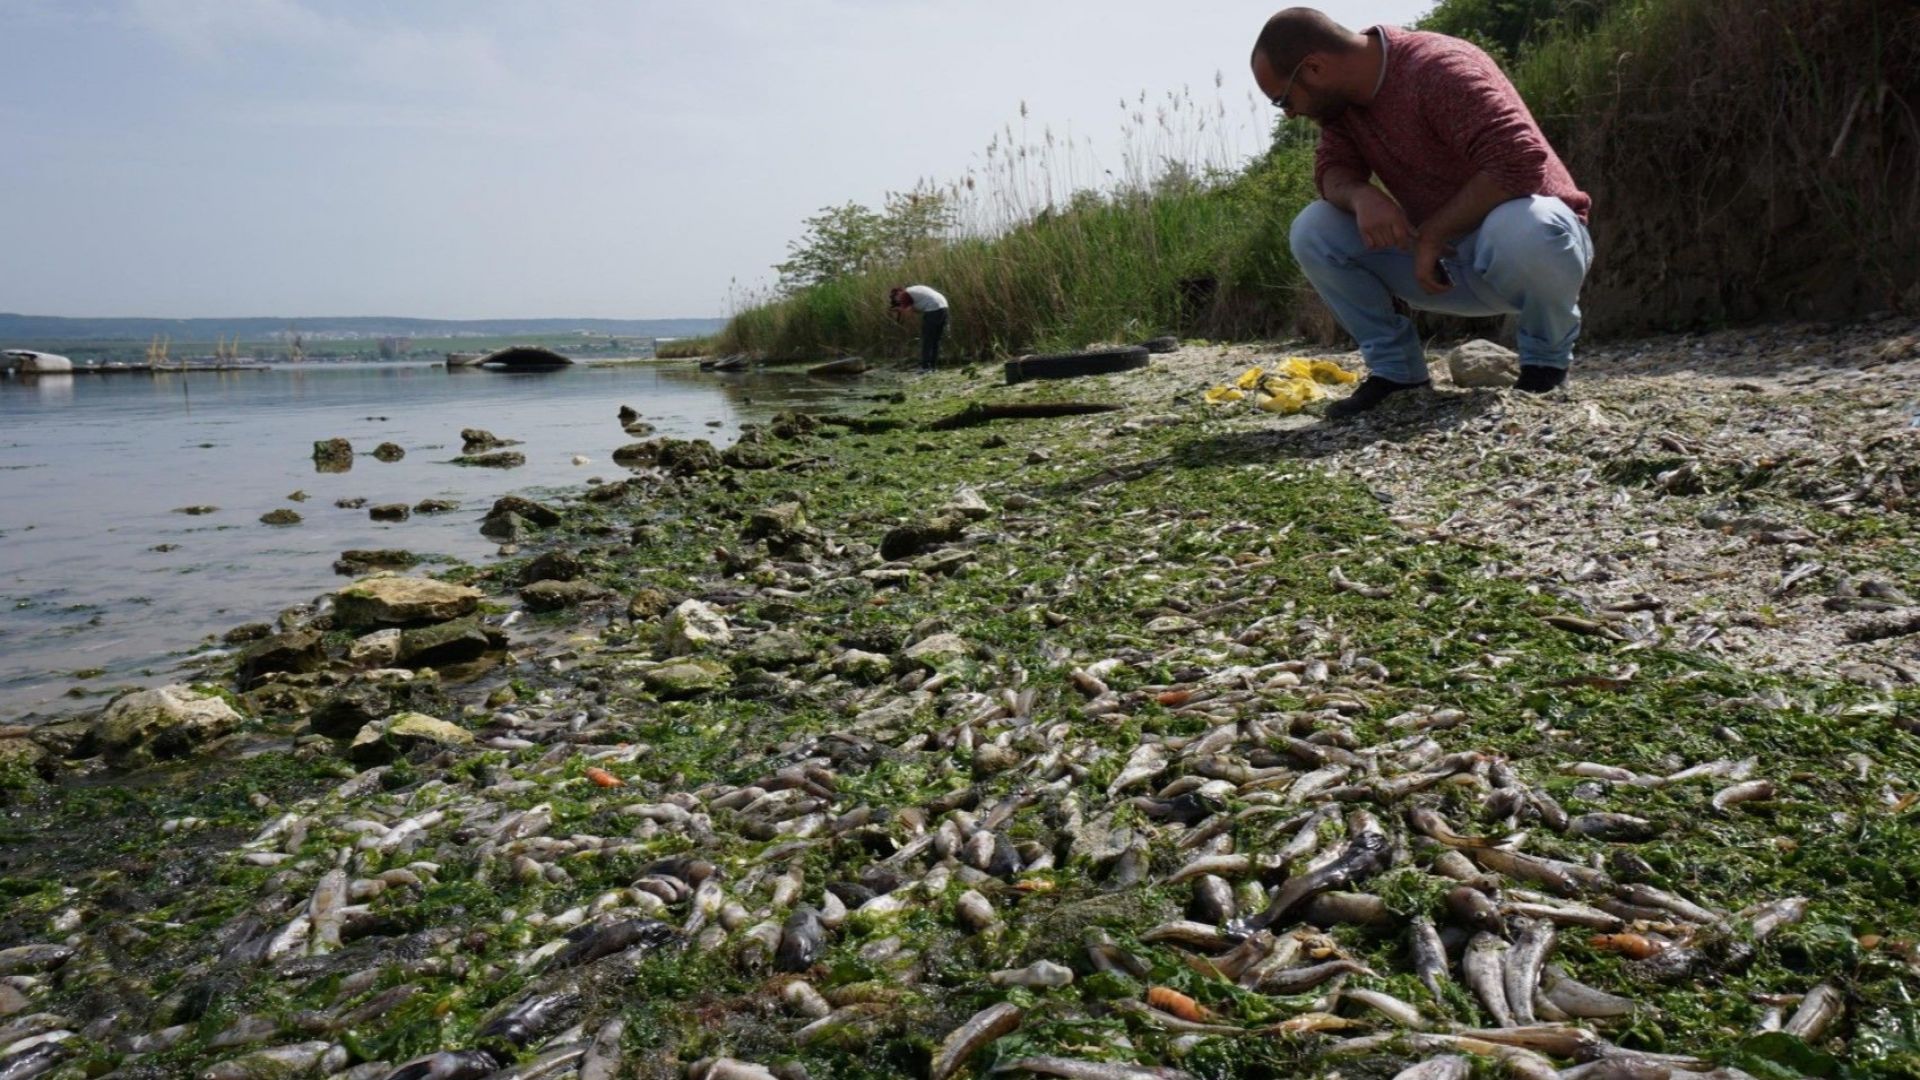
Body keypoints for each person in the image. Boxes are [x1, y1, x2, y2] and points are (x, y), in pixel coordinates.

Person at [1250, 8, 1594, 419]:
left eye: (1283, 99)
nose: (1288, 113)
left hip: (1529, 256)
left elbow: (1518, 161)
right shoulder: (1343, 107)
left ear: (1315, 67)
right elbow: (1331, 172)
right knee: (1314, 229)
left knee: (1525, 226)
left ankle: (1545, 366)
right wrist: (1362, 196)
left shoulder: (1437, 68)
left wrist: (1433, 233)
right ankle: (1397, 376)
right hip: (1445, 269)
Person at [889, 284, 949, 372]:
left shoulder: (904, 295)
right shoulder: (913, 291)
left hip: (933, 308)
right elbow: (917, 309)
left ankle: (925, 367)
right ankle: (933, 367)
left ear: (898, 294)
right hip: (943, 306)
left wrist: (899, 311)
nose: (898, 302)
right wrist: (903, 309)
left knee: (927, 340)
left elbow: (907, 313)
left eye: (896, 300)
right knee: (935, 340)